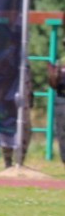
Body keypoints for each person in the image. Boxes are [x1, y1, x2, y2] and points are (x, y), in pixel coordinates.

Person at [0, 24, 32, 168]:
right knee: (12, 128)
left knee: (16, 128)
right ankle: (12, 162)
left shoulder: (18, 57)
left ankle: (13, 162)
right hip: (9, 97)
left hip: (15, 97)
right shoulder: (9, 56)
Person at [47, 37, 65, 168]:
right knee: (62, 134)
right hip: (61, 100)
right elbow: (53, 85)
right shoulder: (60, 63)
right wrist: (52, 75)